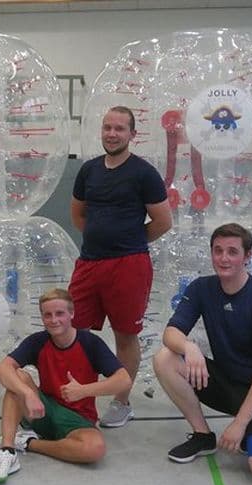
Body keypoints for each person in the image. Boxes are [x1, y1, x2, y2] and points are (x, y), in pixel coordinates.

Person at [153, 223, 252, 485]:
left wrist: (240, 424)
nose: (223, 258)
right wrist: (190, 347)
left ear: (248, 256)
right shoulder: (201, 288)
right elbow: (171, 332)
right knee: (166, 358)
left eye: (232, 251)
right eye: (217, 251)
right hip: (228, 382)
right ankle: (203, 435)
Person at [69, 105, 172, 427]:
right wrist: (101, 238)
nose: (112, 134)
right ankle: (78, 397)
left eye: (119, 129)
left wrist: (128, 240)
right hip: (89, 263)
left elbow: (163, 221)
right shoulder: (88, 170)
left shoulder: (144, 173)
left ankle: (121, 401)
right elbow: (78, 215)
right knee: (74, 332)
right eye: (107, 127)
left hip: (129, 266)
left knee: (125, 335)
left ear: (132, 134)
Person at [0, 288, 131, 485]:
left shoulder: (90, 343)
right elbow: (3, 368)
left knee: (95, 449)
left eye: (60, 313)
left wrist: (84, 390)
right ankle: (7, 451)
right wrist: (27, 393)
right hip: (43, 410)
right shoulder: (38, 341)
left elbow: (124, 380)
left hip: (78, 420)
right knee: (17, 377)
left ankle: (28, 443)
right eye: (48, 315)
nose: (54, 320)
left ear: (72, 314)